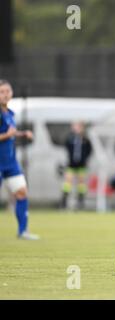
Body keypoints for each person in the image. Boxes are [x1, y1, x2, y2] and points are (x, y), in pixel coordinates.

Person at [0, 79, 40, 240]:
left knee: (22, 193)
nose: (5, 95)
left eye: (7, 91)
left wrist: (22, 134)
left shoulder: (9, 113)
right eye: (1, 92)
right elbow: (6, 134)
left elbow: (9, 132)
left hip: (10, 163)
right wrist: (8, 135)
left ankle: (23, 231)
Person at [60, 121, 92, 210]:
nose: (76, 128)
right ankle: (64, 201)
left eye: (78, 126)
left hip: (82, 164)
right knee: (67, 182)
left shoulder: (85, 139)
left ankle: (80, 201)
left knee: (81, 184)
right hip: (71, 164)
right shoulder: (70, 138)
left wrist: (84, 159)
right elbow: (67, 148)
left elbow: (89, 150)